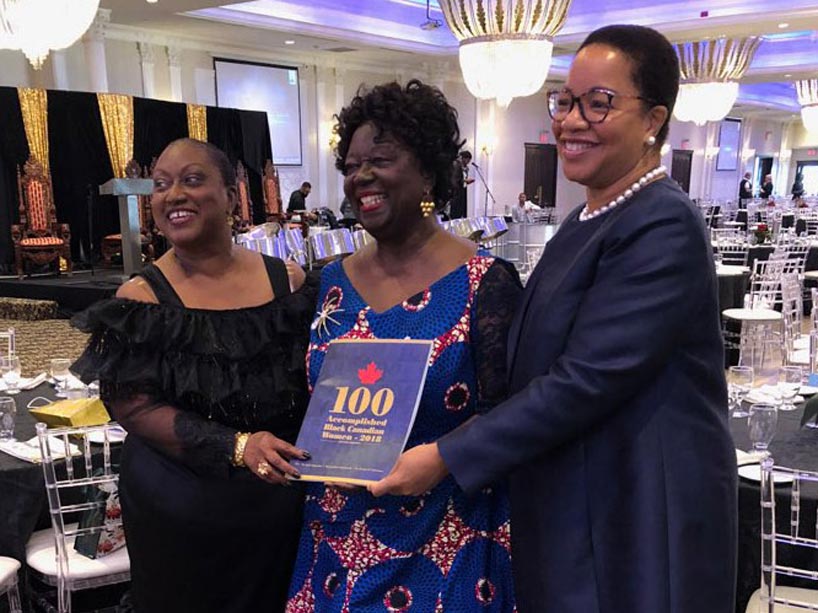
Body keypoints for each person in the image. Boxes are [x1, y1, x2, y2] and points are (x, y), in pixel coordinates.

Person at [370, 24, 737, 613]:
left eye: (600, 104)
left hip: (636, 505)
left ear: (653, 121)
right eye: (566, 101)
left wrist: (446, 455)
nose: (571, 120)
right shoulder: (586, 220)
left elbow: (585, 380)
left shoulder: (661, 224)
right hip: (577, 495)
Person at [286, 80, 521, 611]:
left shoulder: (486, 282)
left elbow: (515, 413)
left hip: (450, 537)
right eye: (350, 165)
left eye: (381, 160)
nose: (360, 177)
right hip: (338, 540)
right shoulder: (329, 285)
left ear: (430, 171)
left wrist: (440, 459)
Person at [71, 138, 317, 612]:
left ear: (230, 195)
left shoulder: (286, 280)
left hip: (283, 500)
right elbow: (135, 408)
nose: (172, 195)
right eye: (161, 185)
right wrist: (239, 446)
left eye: (192, 179)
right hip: (185, 511)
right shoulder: (142, 298)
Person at [447, 150, 474, 219]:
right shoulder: (456, 165)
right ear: (464, 158)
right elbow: (454, 180)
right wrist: (465, 181)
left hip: (462, 191)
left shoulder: (464, 167)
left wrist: (466, 181)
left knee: (462, 211)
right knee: (456, 213)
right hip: (456, 193)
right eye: (468, 160)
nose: (468, 162)